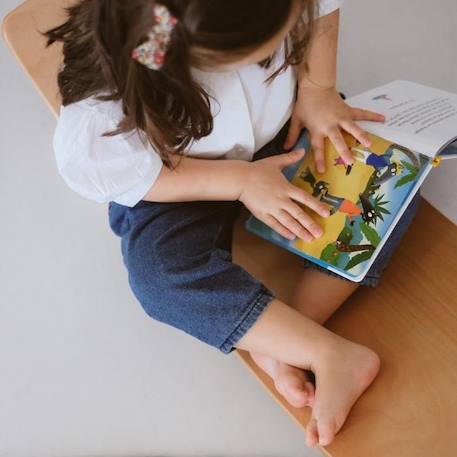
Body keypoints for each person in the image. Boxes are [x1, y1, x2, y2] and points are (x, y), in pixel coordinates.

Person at [46, 0, 420, 447]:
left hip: (286, 132)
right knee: (160, 275)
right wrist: (240, 182)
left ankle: (290, 336)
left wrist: (318, 89)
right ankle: (323, 350)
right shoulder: (110, 101)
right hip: (184, 176)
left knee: (392, 185)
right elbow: (121, 171)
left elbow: (322, 5)